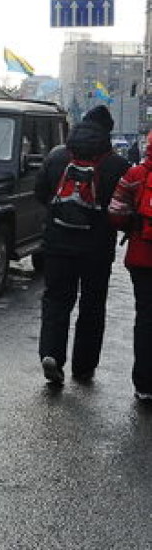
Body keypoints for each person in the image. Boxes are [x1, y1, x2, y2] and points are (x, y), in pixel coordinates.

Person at [34, 104, 130, 387]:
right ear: (107, 133)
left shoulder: (57, 156)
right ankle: (84, 367)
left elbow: (42, 194)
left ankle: (51, 355)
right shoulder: (116, 164)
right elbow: (120, 209)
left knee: (56, 300)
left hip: (57, 245)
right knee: (92, 305)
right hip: (97, 249)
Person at [107, 129, 152, 402]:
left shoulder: (136, 176)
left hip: (141, 257)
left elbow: (114, 212)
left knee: (145, 318)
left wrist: (131, 225)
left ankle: (144, 385)